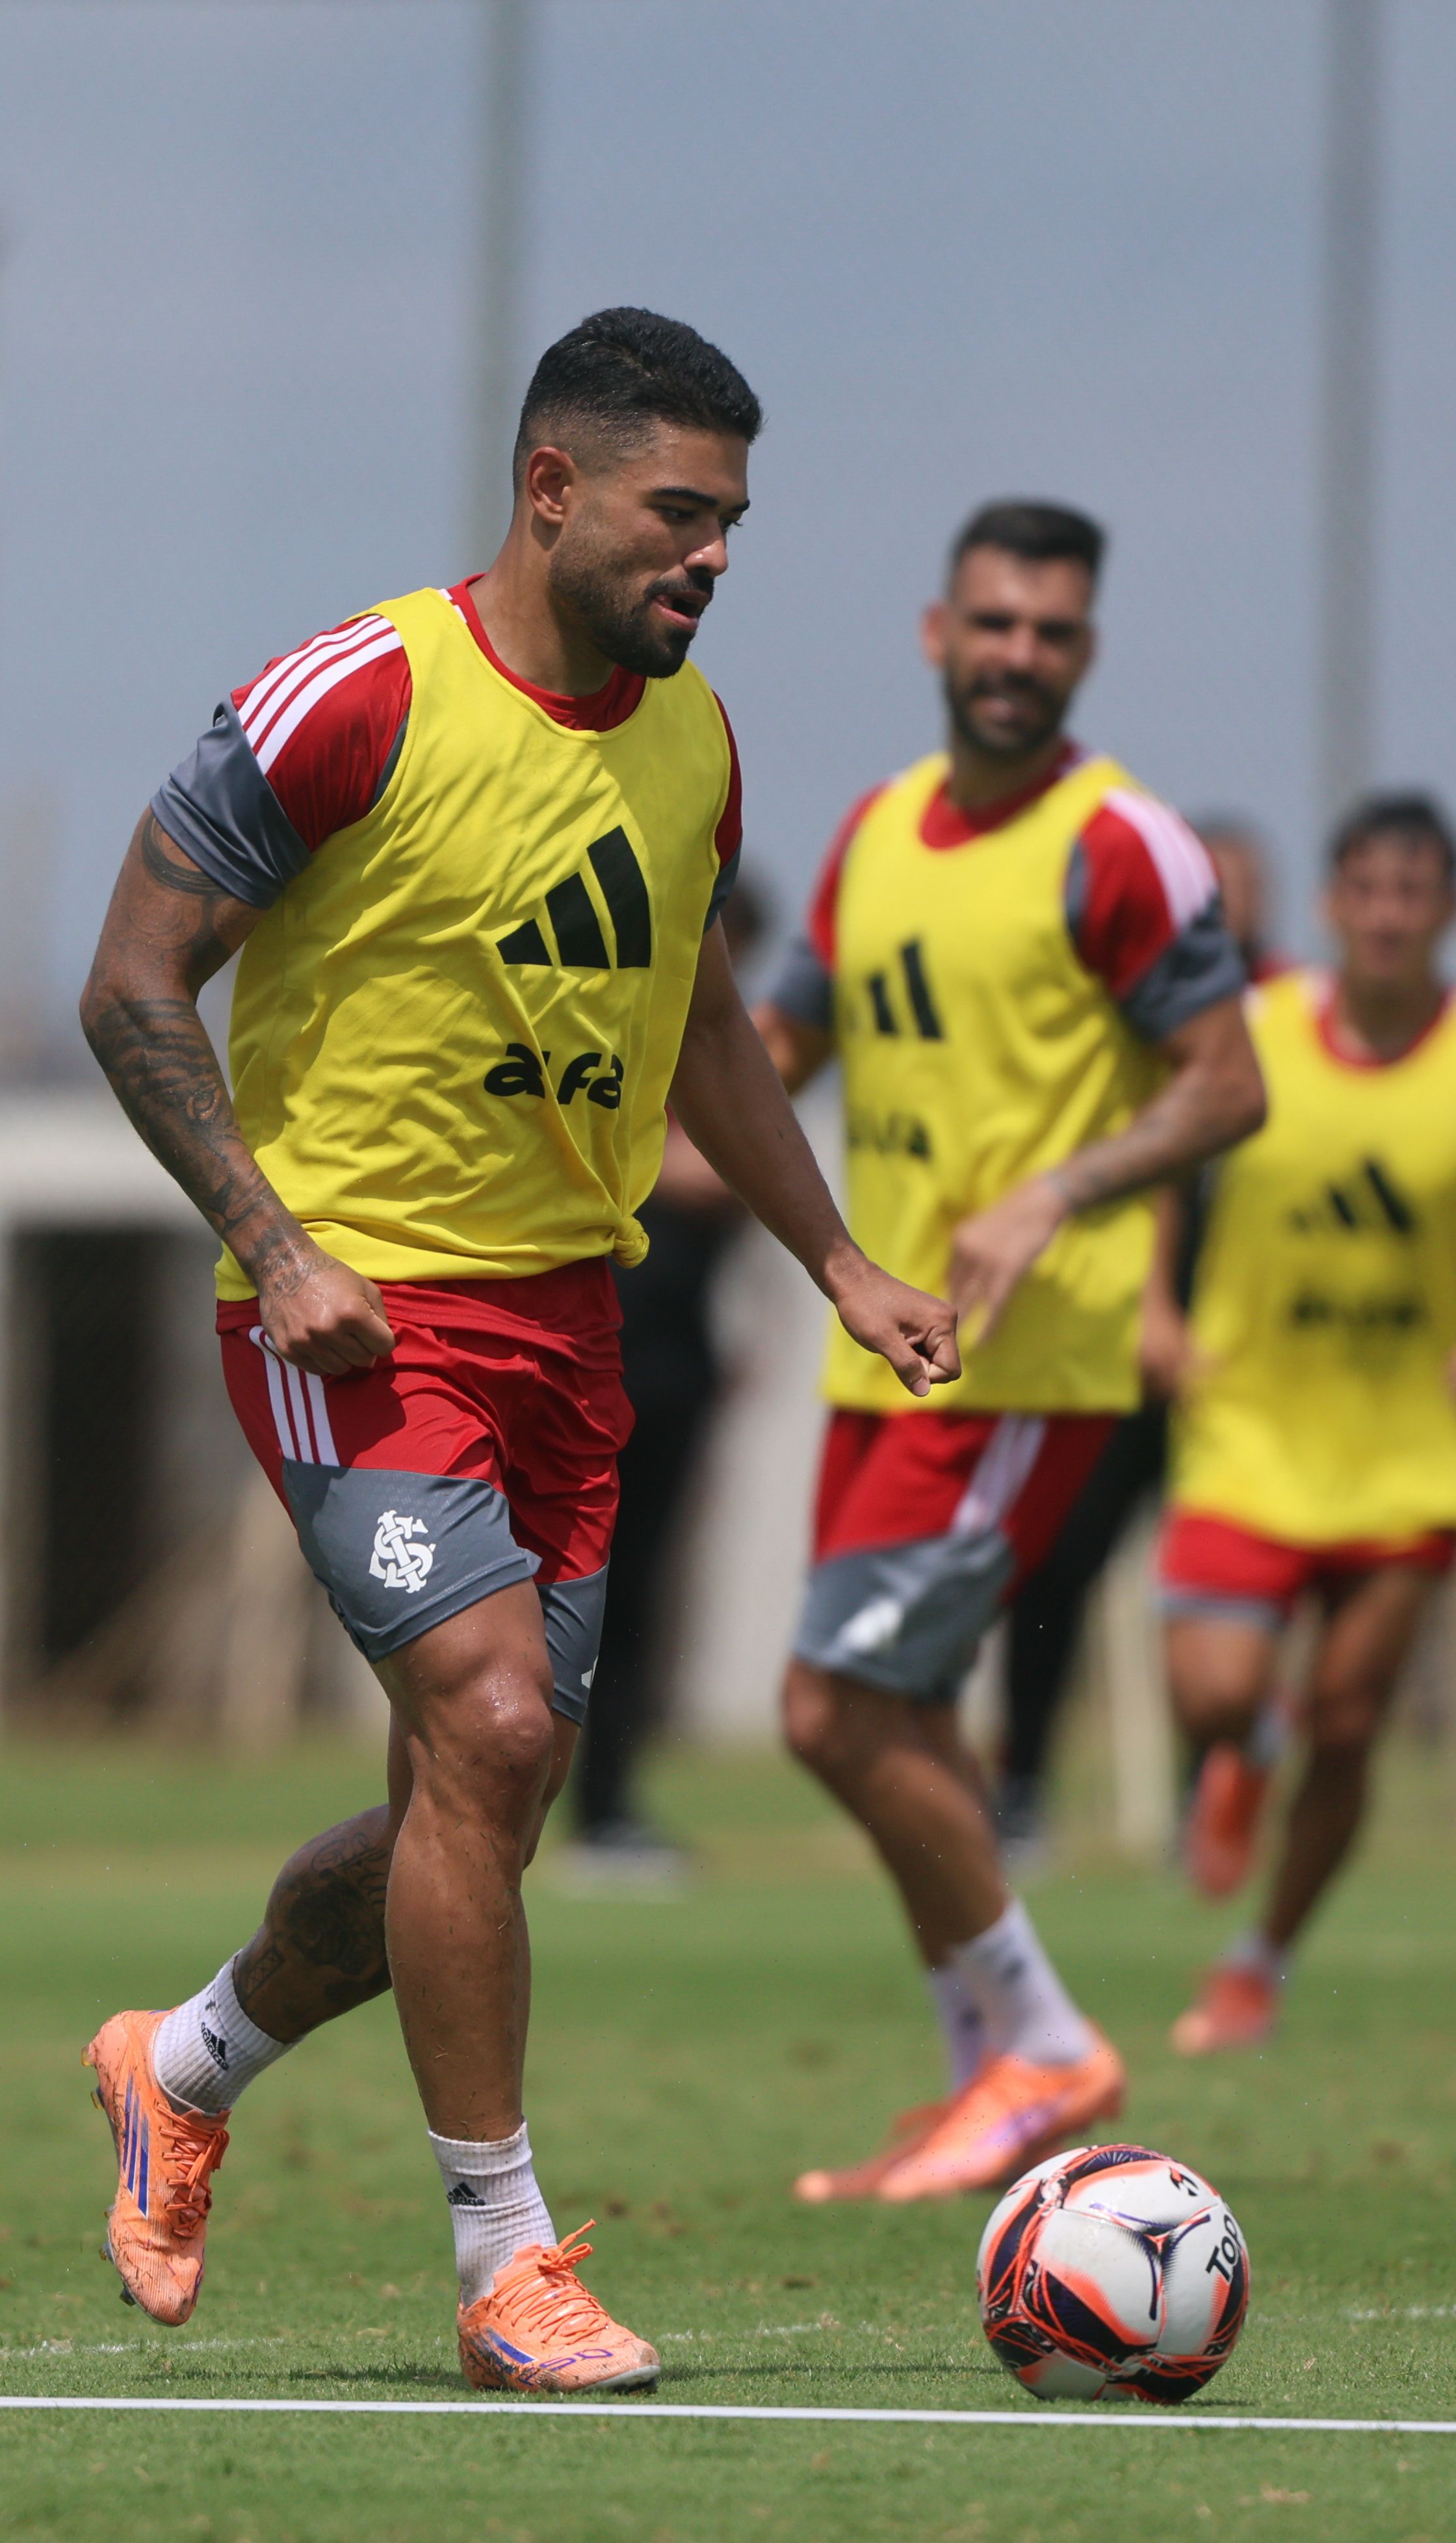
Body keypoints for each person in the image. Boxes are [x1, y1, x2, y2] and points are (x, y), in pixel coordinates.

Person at [77, 307, 957, 2392]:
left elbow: (707, 1023)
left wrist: (839, 1256)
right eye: (680, 512)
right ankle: (505, 2266)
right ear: (551, 489)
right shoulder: (355, 696)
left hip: (571, 1325)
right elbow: (130, 982)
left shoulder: (694, 739)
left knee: (478, 1803)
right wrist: (274, 1244)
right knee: (485, 1729)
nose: (712, 557)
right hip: (357, 1318)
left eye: (732, 524)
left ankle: (182, 2063)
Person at [757, 499, 1265, 2202]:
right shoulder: (874, 831)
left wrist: (1059, 1189)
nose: (1016, 657)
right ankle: (981, 2076)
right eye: (992, 623)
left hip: (1024, 1369)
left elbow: (1227, 1084)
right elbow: (776, 1044)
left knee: (831, 1708)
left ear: (1085, 652)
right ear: (937, 633)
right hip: (876, 1355)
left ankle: (1044, 2044)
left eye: (1049, 633)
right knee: (905, 1721)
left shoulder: (1122, 845)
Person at [1157, 792, 1456, 2052]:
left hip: (1405, 1452)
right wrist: (1153, 1307)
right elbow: (1159, 1152)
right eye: (1367, 891)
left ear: (1440, 910)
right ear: (1332, 904)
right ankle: (1242, 1750)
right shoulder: (1258, 1027)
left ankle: (1257, 1962)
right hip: (1249, 1430)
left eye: (1412, 894)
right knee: (1213, 1693)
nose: (1387, 916)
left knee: (1350, 1722)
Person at [996, 819, 1282, 1857]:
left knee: (1224, 1591)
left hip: (1246, 1358)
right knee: (1057, 1560)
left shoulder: (1290, 1014)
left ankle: (1209, 1801)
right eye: (1210, 883)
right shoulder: (1130, 1010)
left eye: (1241, 885)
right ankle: (1021, 1787)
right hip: (1116, 1338)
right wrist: (1154, 1305)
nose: (1226, 903)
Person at [566, 879, 766, 1883]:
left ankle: (605, 1811)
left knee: (634, 1593)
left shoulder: (716, 1048)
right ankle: (528, 1801)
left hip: (672, 1366)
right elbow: (699, 1169)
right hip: (586, 1349)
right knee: (557, 1586)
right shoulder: (618, 1035)